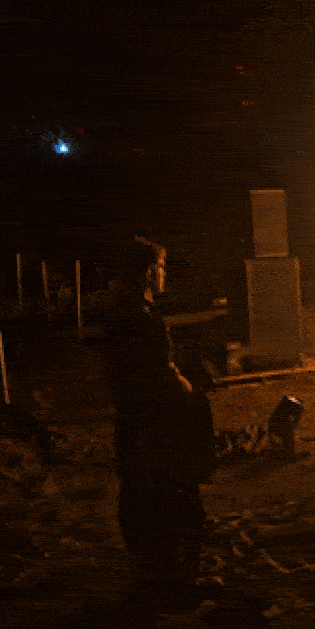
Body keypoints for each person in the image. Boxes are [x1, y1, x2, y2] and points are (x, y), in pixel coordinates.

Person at [100, 237, 215, 606]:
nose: (165, 273)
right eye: (162, 266)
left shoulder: (123, 312)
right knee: (171, 499)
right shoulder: (140, 318)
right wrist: (191, 390)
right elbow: (158, 372)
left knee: (142, 499)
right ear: (149, 272)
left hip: (134, 419)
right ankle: (174, 582)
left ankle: (155, 577)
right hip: (154, 423)